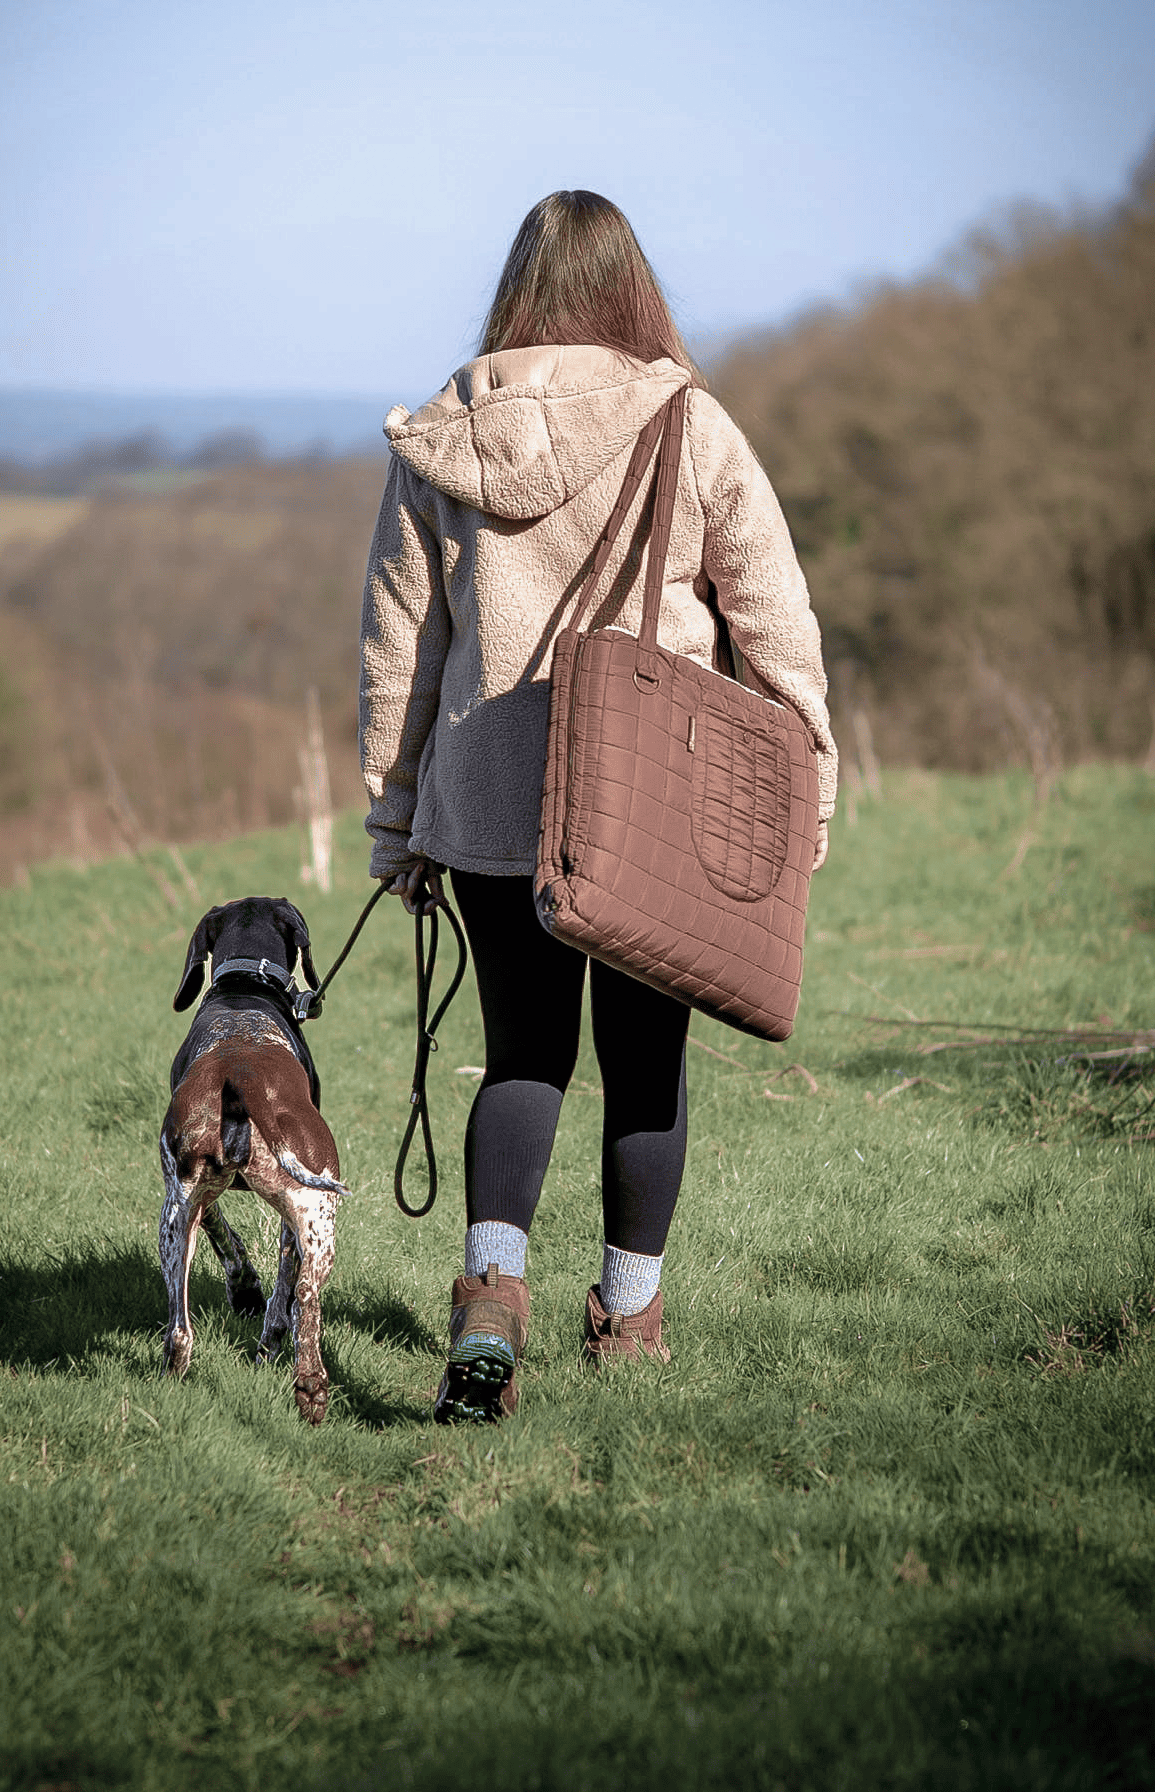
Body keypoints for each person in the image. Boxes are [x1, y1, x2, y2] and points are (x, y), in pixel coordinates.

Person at [358, 191, 837, 1423]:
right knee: (644, 1063)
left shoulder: (443, 437)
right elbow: (774, 620)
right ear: (633, 287)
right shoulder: (690, 423)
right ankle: (628, 1322)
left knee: (522, 1053)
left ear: (516, 290)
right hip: (656, 805)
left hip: (488, 802)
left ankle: (488, 1308)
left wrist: (396, 818)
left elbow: (400, 648)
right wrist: (808, 794)